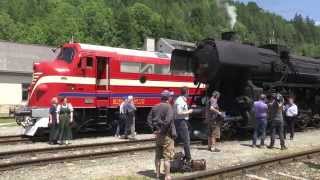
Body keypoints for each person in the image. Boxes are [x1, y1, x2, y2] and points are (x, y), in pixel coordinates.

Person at [147, 90, 176, 180]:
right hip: (166, 135)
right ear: (168, 98)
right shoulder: (169, 107)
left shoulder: (155, 106)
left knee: (158, 156)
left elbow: (148, 119)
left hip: (158, 136)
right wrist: (162, 131)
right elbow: (168, 121)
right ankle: (167, 176)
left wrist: (155, 130)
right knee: (167, 157)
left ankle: (157, 175)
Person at [174, 86, 193, 162]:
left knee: (179, 140)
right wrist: (189, 111)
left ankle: (184, 156)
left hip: (182, 121)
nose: (189, 94)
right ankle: (188, 158)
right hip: (181, 121)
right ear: (186, 92)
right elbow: (179, 112)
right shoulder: (179, 101)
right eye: (188, 92)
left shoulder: (181, 100)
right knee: (186, 140)